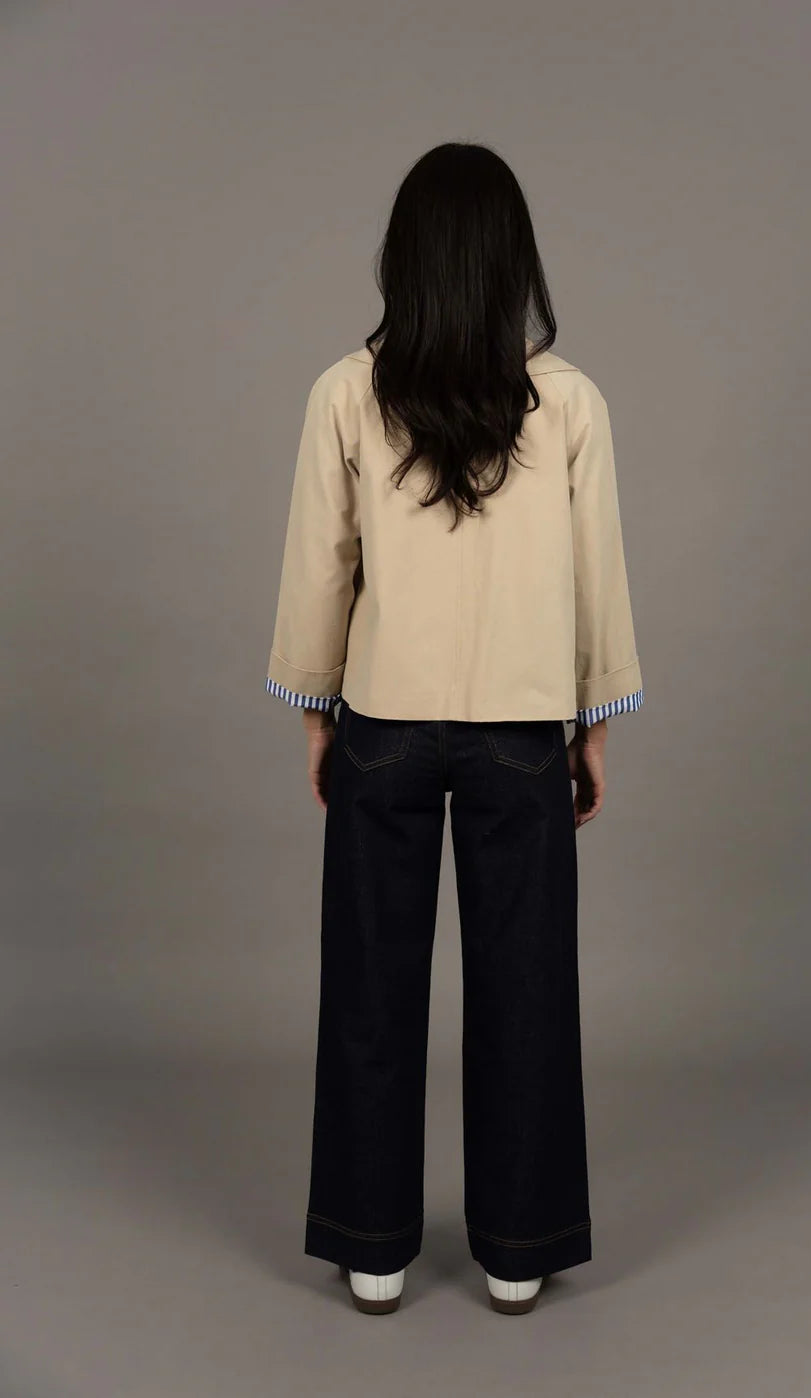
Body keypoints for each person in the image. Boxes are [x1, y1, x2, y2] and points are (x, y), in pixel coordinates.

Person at [264, 141, 644, 1315]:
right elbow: (595, 578)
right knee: (524, 991)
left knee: (368, 987)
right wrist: (591, 728)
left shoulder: (344, 391)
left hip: (381, 721)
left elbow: (320, 567)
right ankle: (517, 1251)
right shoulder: (568, 402)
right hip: (520, 732)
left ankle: (371, 1246)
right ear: (511, 261)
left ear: (406, 260)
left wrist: (316, 711)